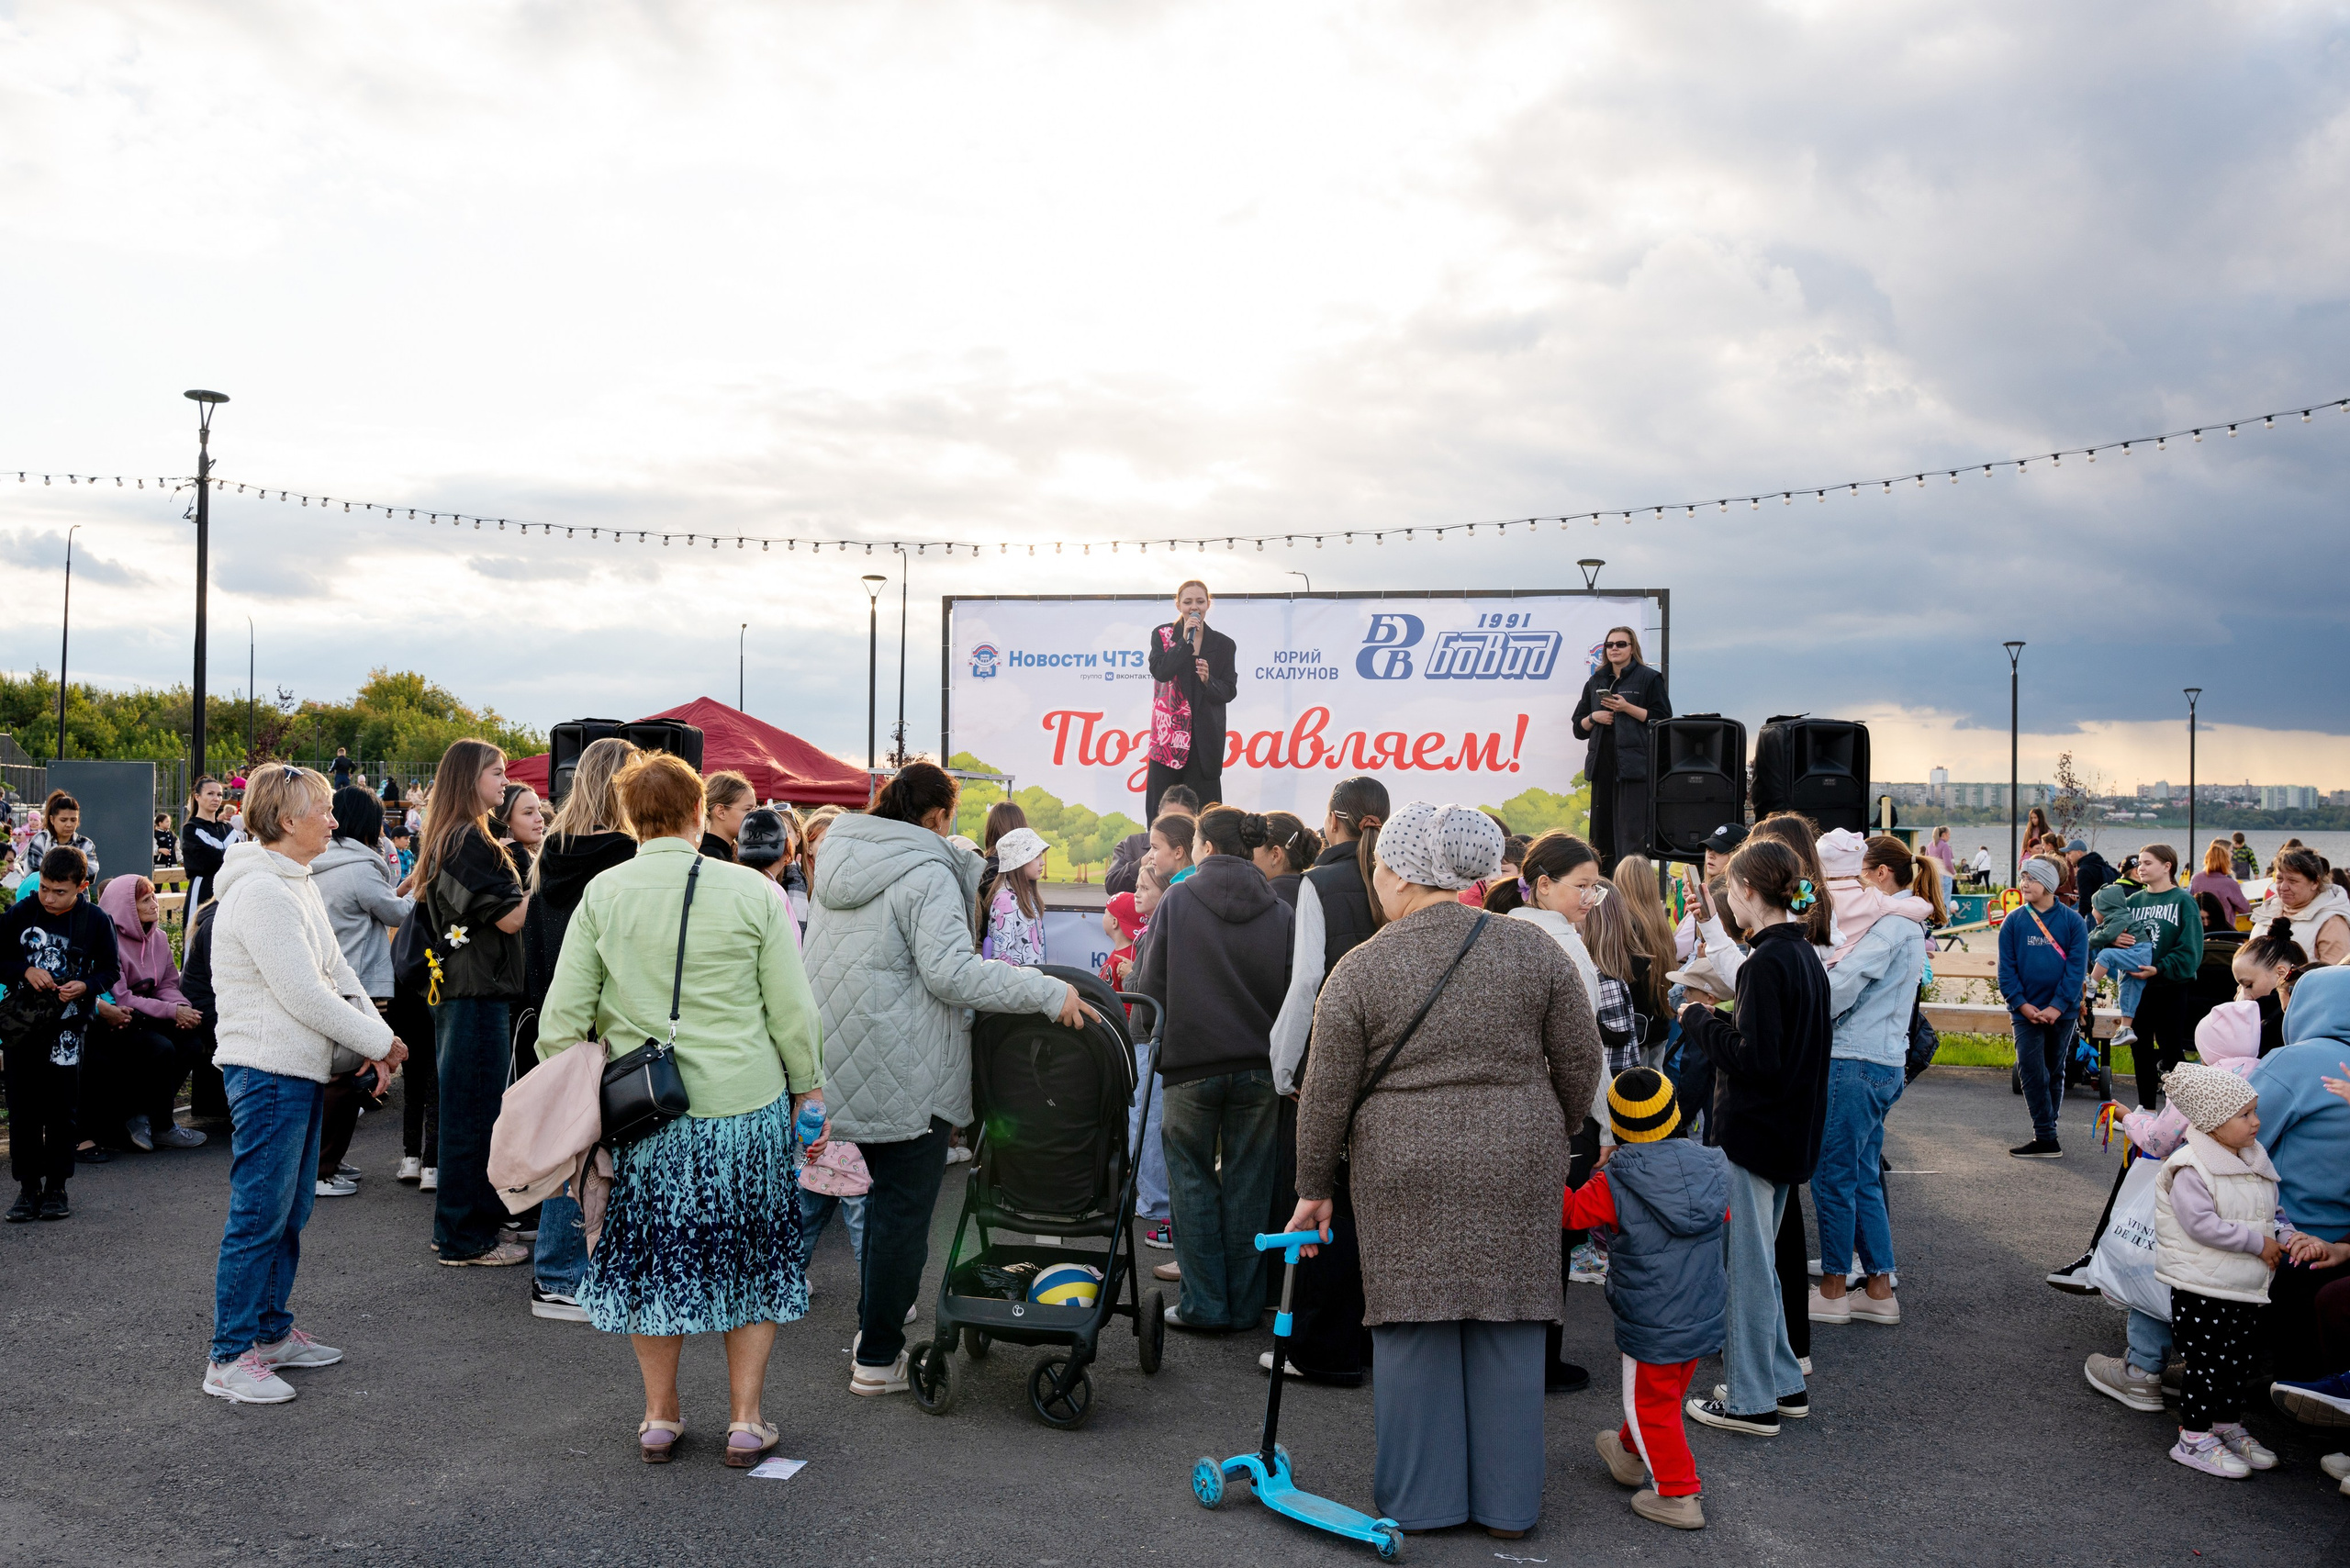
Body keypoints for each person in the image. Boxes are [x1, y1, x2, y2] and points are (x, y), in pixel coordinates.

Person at [1287, 801, 1604, 1539]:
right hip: (1517, 1156)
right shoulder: (1535, 952)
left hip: (1402, 1160)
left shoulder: (1363, 965)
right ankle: (1508, 1506)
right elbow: (1584, 1061)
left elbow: (1324, 1093)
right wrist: (1546, 1130)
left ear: (1396, 873)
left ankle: (1423, 1502)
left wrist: (1314, 1188)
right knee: (1512, 1319)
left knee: (1412, 1321)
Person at [535, 751, 825, 1463]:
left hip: (646, 1115)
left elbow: (559, 1021)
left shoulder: (605, 892)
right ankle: (746, 1420)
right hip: (744, 1101)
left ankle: (661, 1417)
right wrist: (808, 1085)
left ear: (630, 817)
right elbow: (791, 1009)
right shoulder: (753, 893)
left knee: (652, 1262)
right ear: (702, 812)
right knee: (752, 1260)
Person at [800, 762, 1093, 1395]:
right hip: (910, 1063)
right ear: (938, 816)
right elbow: (953, 974)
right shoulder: (926, 868)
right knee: (903, 1217)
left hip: (845, 1056)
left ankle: (872, 1335)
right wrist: (1046, 991)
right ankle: (878, 1357)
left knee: (879, 1210)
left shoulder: (837, 858)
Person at [202, 766, 408, 1404]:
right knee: (259, 1214)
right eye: (322, 809)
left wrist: (380, 1040)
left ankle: (267, 1333)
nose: (334, 819)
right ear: (287, 819)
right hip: (266, 1070)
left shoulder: (296, 880)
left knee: (288, 1211)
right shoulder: (262, 891)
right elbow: (302, 991)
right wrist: (382, 1043)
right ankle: (229, 1357)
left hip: (296, 1069)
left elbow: (337, 969)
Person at [1675, 836, 1832, 1437]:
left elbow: (1755, 1059)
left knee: (1745, 1272)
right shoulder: (1799, 955)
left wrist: (1698, 1020)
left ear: (1745, 889)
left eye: (1730, 892)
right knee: (1761, 1267)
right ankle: (1781, 1384)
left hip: (1754, 1135)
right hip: (1788, 1135)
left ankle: (1749, 1400)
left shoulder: (1769, 962)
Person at [1135, 806, 1291, 1333]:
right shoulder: (1281, 908)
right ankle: (1246, 1306)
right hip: (1259, 1068)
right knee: (1250, 1184)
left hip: (1191, 1064)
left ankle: (1205, 1305)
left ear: (1202, 845)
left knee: (1192, 1181)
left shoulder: (1178, 899)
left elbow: (1149, 981)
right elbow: (1295, 996)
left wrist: (1142, 1032)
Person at [1262, 776, 1390, 1384]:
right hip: (1395, 1064)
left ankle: (1319, 1350)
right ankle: (1367, 1343)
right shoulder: (1398, 878)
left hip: (1335, 1061)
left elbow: (1307, 982)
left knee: (1319, 1201)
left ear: (1334, 821)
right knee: (1372, 1209)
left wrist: (1284, 1062)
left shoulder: (1320, 881)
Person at [1572, 1070, 1729, 1532]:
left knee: (1650, 1406)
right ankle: (1627, 1453)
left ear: (1616, 1127)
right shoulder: (1713, 1166)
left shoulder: (1613, 1183)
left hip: (1652, 1318)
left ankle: (1679, 1494)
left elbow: (1572, 1213)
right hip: (1703, 1310)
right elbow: (1722, 1213)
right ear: (1676, 1113)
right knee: (1667, 1392)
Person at [1483, 830, 1607, 1391]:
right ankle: (1542, 1359)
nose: (1589, 899)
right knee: (1551, 1237)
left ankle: (1498, 1352)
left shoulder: (1493, 934)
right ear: (1544, 886)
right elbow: (1586, 1050)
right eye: (1582, 887)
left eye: (1595, 888)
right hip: (1553, 1114)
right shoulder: (1566, 949)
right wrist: (1598, 1120)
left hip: (1492, 1110)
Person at [413, 739, 533, 1268]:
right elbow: (509, 918)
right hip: (473, 988)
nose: (504, 781)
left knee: (475, 1110)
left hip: (468, 985)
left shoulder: (457, 836)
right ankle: (464, 1238)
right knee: (472, 1114)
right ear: (469, 779)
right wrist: (544, 874)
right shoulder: (467, 839)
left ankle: (470, 1229)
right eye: (496, 773)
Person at [1810, 836, 1934, 1324]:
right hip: (1883, 1062)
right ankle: (1878, 1287)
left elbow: (1841, 991)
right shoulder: (1905, 921)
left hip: (1851, 1059)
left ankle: (1835, 1286)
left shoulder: (1889, 925)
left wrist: (1806, 981)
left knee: (1834, 1177)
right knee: (1861, 1176)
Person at [2149, 1064, 2285, 1478]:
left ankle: (2226, 1426)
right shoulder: (2192, 1167)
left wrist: (2286, 1233)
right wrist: (2257, 1243)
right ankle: (2192, 1436)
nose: (2256, 1122)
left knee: (2236, 1361)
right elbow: (2201, 1224)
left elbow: (2270, 1211)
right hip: (2204, 1286)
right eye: (2244, 1115)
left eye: (2255, 1111)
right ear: (2211, 1122)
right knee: (2207, 1361)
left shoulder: (2250, 1159)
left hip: (2241, 1285)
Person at [0, 847, 120, 1222]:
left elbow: (110, 970)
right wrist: (24, 971)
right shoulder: (21, 913)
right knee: (22, 1109)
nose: (49, 898)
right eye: (45, 889)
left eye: (59, 892)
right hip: (22, 1029)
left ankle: (56, 1187)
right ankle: (26, 1188)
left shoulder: (96, 920)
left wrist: (86, 986)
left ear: (82, 887)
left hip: (67, 1030)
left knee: (61, 1108)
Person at [2243, 969, 2350, 1387]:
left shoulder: (2294, 1061)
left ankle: (2159, 1354)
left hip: (2287, 1234)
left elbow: (2237, 1135)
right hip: (2340, 1242)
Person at [308, 788, 414, 1199]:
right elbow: (395, 912)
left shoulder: (321, 860)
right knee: (352, 1076)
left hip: (330, 976)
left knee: (335, 1074)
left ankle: (326, 1158)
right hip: (360, 982)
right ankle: (323, 1166)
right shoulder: (360, 866)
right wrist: (416, 891)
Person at [93, 876, 209, 1154]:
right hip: (118, 1018)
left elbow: (168, 984)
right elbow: (121, 997)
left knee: (192, 1042)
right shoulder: (109, 941)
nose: (154, 904)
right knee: (161, 1048)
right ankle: (157, 1121)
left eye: (154, 896)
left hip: (151, 1014)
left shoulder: (158, 938)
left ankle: (150, 1119)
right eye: (145, 900)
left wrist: (183, 1008)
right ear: (126, 907)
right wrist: (172, 1011)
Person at [2092, 846, 2205, 1111]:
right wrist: (2115, 939)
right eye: (2139, 863)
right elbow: (2102, 931)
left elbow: (2191, 949)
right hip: (2136, 987)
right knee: (2139, 1050)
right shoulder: (2132, 902)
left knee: (2171, 1052)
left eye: (2148, 863)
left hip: (2170, 987)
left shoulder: (2183, 901)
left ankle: (2176, 1113)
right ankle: (2145, 1109)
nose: (2140, 868)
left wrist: (2160, 968)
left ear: (2167, 866)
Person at [2000, 857, 2090, 1159]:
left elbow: (2076, 969)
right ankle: (2046, 1134)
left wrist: (2057, 1006)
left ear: (2049, 884)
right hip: (2024, 1011)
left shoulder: (2073, 922)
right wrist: (2021, 1004)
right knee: (2030, 1067)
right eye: (2023, 876)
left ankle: (2046, 1136)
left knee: (2053, 1069)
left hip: (2061, 1013)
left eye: (2032, 878)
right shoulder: (2013, 921)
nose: (2024, 883)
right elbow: (2007, 969)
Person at [1571, 626, 1670, 871]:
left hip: (1633, 769)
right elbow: (1578, 728)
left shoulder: (1649, 678)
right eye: (1610, 645)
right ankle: (1602, 892)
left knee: (1631, 837)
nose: (1614, 648)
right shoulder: (1596, 680)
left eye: (1620, 644)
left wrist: (1627, 708)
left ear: (1632, 647)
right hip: (1602, 766)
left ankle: (1631, 893)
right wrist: (1594, 717)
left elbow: (1663, 721)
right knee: (1600, 836)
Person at [1144, 581, 1237, 823]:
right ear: (1178, 604)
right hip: (1167, 740)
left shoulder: (1224, 644)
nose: (1194, 607)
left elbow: (1229, 691)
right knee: (1160, 814)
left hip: (1203, 741)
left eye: (1199, 602)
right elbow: (1161, 671)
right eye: (1187, 602)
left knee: (1206, 816)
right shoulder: (1163, 636)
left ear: (1208, 604)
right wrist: (1183, 644)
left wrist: (1209, 681)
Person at [2250, 847, 2350, 966]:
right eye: (2279, 879)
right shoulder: (2269, 910)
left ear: (2315, 883)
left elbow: (2333, 976)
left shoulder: (2332, 923)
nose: (2283, 887)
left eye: (2292, 881)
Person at [976, 826, 1049, 964]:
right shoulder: (1005, 902)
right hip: (1018, 984)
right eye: (1036, 856)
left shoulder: (1025, 895)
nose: (1042, 862)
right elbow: (1000, 961)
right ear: (1019, 861)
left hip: (1033, 982)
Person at [1106, 786, 1197, 896]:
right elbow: (1112, 886)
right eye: (1166, 818)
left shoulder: (1199, 849)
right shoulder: (1130, 844)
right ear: (1159, 811)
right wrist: (1142, 862)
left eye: (1179, 820)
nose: (1171, 825)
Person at [26, 790, 99, 886]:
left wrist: (54, 874)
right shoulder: (41, 840)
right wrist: (74, 875)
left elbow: (91, 873)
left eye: (73, 820)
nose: (69, 825)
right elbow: (36, 872)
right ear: (52, 819)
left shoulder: (85, 844)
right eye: (63, 820)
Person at [1252, 811, 1315, 907]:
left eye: (1251, 849)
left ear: (1275, 855)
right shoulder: (1319, 894)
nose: (1247, 858)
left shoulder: (1261, 903)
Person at [2191, 841, 2252, 932]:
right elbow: (2245, 908)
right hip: (2223, 932)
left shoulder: (2196, 879)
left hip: (2200, 931)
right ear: (2226, 861)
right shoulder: (2229, 883)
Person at [699, 770, 755, 863]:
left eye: (754, 809)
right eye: (748, 810)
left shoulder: (731, 852)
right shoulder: (710, 857)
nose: (754, 816)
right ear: (721, 812)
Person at [1148, 812, 1197, 885]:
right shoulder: (1203, 879)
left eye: (1155, 848)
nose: (1150, 856)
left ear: (1178, 852)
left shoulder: (1181, 890)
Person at [2067, 839, 2115, 914]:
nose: (2067, 857)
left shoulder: (2084, 870)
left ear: (2079, 853)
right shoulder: (2100, 865)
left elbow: (2085, 900)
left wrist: (2080, 918)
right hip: (2107, 912)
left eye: (2069, 853)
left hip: (2093, 914)